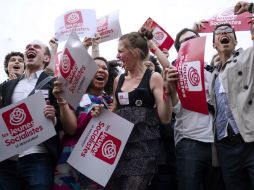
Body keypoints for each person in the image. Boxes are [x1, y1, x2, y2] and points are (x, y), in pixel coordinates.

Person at [104, 27, 173, 190]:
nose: (117, 56)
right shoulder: (117, 80)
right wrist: (101, 113)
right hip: (118, 149)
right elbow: (114, 109)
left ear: (135, 52)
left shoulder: (153, 77)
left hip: (144, 150)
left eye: (121, 51)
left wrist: (168, 95)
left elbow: (165, 118)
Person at [168, 27, 226, 190]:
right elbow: (177, 108)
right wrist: (172, 88)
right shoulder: (175, 72)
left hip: (216, 143)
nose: (192, 42)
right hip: (189, 143)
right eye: (186, 41)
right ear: (180, 49)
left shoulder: (213, 70)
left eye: (194, 38)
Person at [0, 40, 61, 190]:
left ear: (46, 58)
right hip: (7, 162)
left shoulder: (54, 83)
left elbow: (65, 122)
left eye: (36, 47)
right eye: (27, 47)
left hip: (38, 158)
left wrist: (53, 118)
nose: (30, 48)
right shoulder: (6, 86)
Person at [207, 1, 254, 189]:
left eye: (229, 32)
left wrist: (252, 8)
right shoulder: (213, 74)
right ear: (214, 44)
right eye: (219, 33)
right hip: (225, 145)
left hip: (249, 139)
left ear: (235, 42)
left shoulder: (248, 57)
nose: (224, 33)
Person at [53, 56, 112, 190]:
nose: (101, 70)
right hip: (70, 166)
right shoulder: (74, 98)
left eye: (105, 68)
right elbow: (70, 129)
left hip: (99, 168)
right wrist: (62, 102)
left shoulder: (111, 103)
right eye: (96, 67)